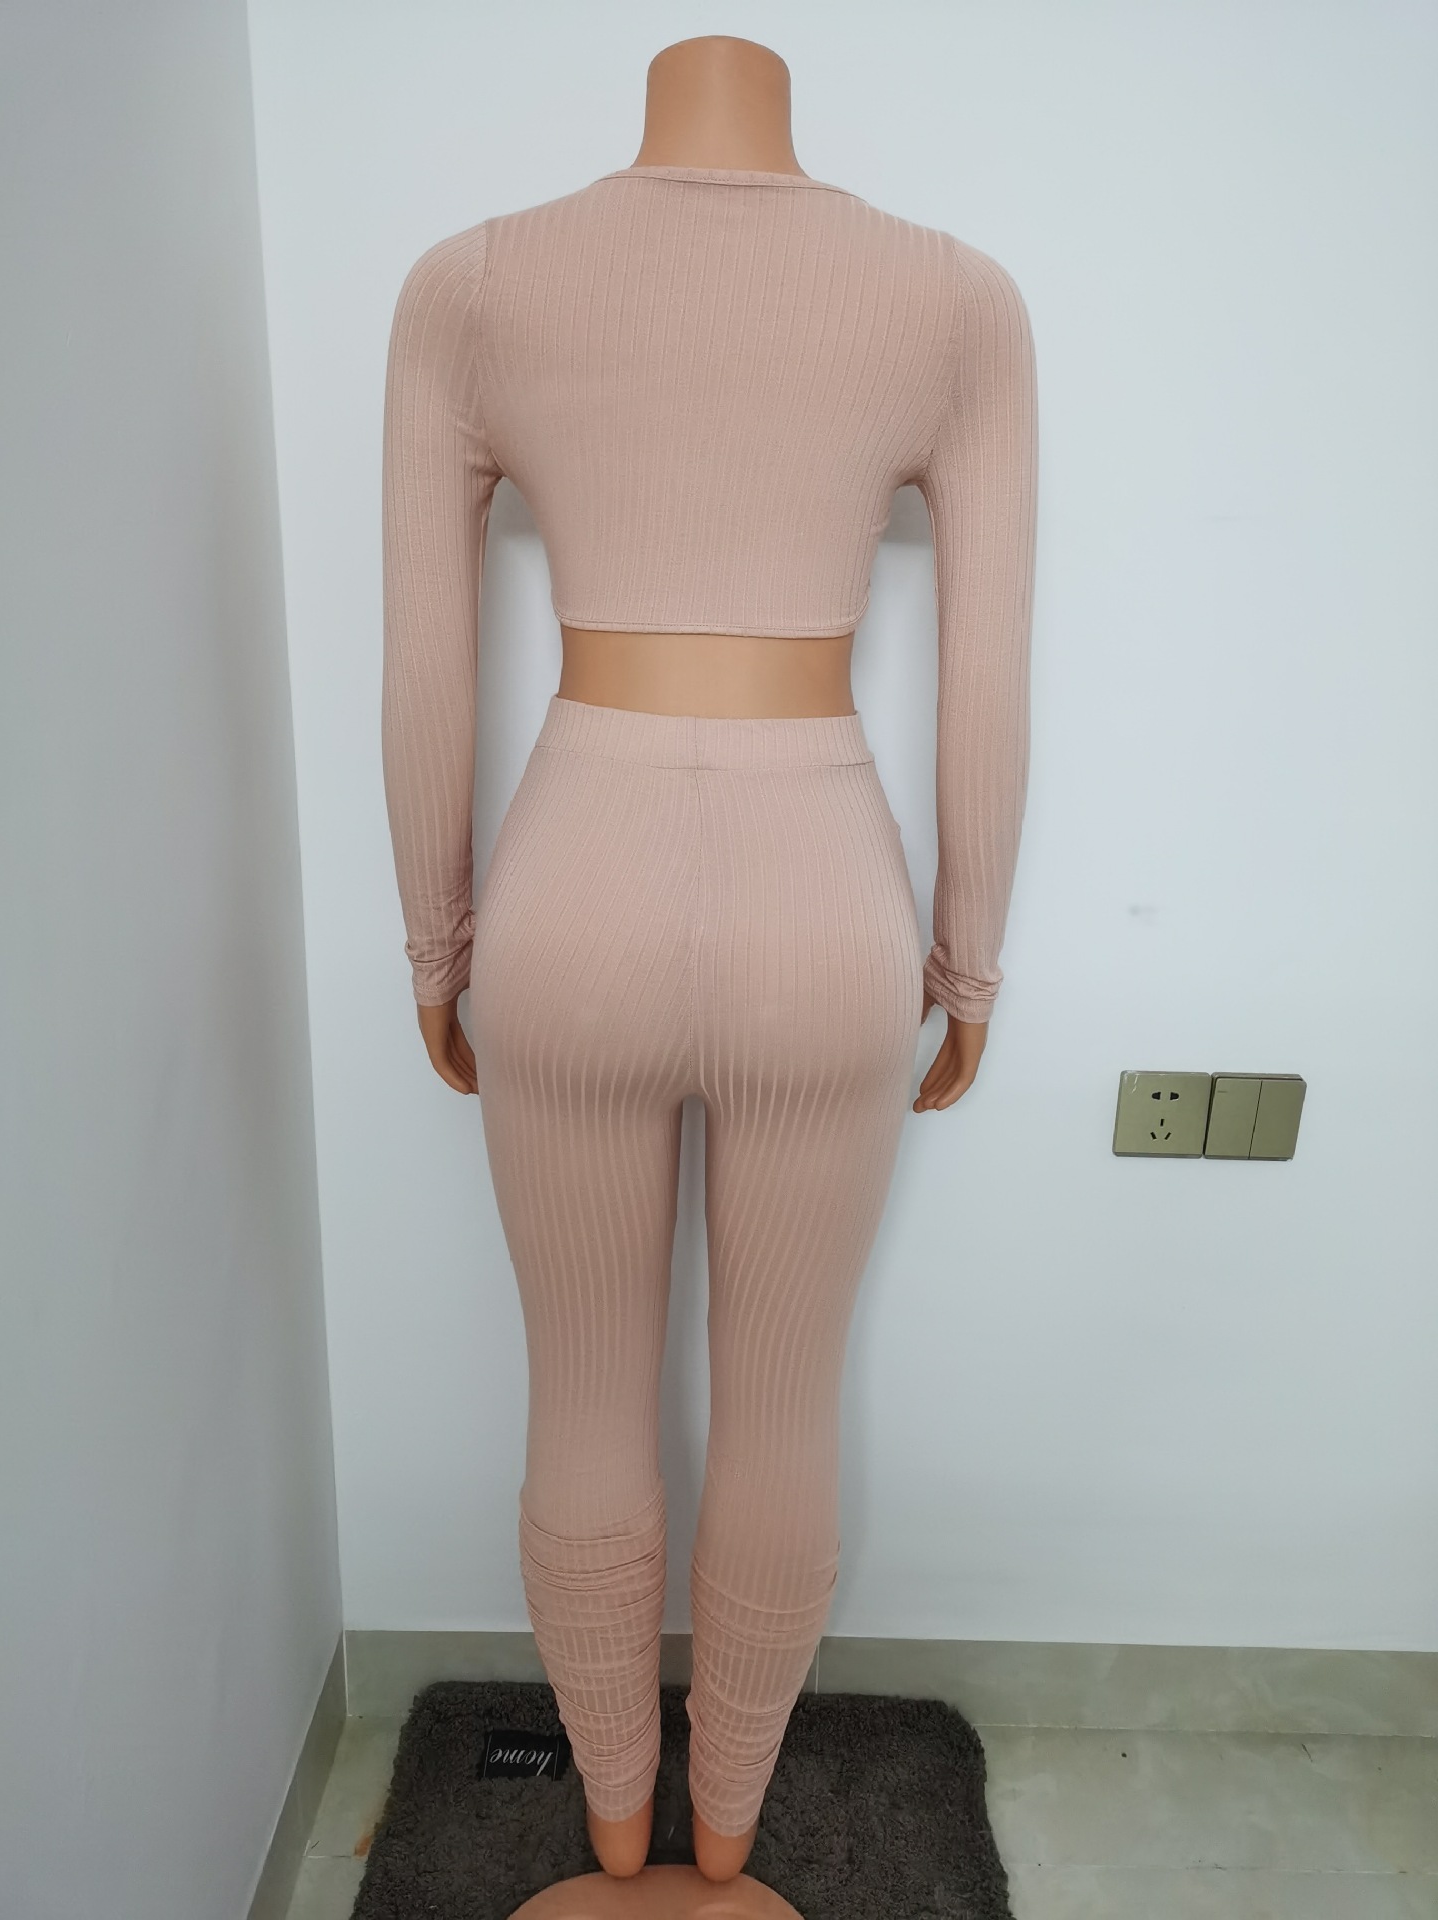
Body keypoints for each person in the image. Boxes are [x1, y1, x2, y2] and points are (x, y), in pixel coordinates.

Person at [380, 36, 1037, 1898]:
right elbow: (990, 673)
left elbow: (423, 664)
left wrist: (437, 943)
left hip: (571, 892)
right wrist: (966, 968)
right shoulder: (954, 302)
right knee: (785, 1406)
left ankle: (612, 1844)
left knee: (581, 1397)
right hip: (824, 896)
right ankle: (729, 1848)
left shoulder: (473, 286)